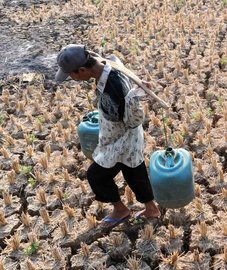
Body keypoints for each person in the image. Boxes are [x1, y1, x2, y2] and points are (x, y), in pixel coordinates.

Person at [55, 44, 161, 230]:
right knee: (134, 171)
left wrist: (132, 98)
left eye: (72, 75)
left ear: (82, 70)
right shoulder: (105, 62)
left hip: (121, 139)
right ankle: (151, 209)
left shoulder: (113, 87)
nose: (72, 79)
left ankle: (120, 210)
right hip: (128, 138)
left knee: (96, 176)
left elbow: (129, 118)